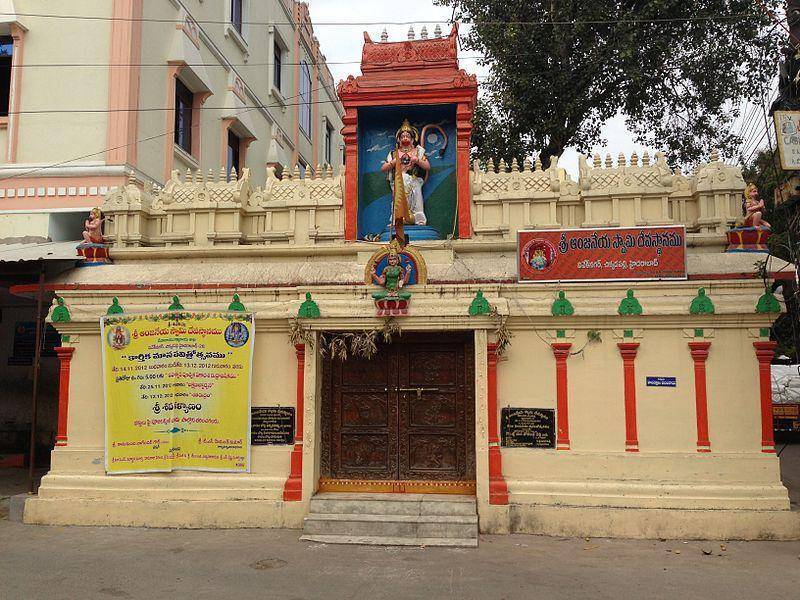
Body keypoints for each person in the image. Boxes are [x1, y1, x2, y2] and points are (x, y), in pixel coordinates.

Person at [380, 119, 430, 245]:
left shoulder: (418, 152)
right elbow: (383, 169)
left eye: (408, 136)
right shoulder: (394, 153)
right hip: (399, 181)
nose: (405, 138)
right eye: (403, 136)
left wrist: (417, 160)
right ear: (399, 139)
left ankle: (419, 220)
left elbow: (427, 166)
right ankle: (397, 220)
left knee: (417, 196)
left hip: (414, 180)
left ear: (413, 139)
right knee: (397, 199)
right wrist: (393, 162)